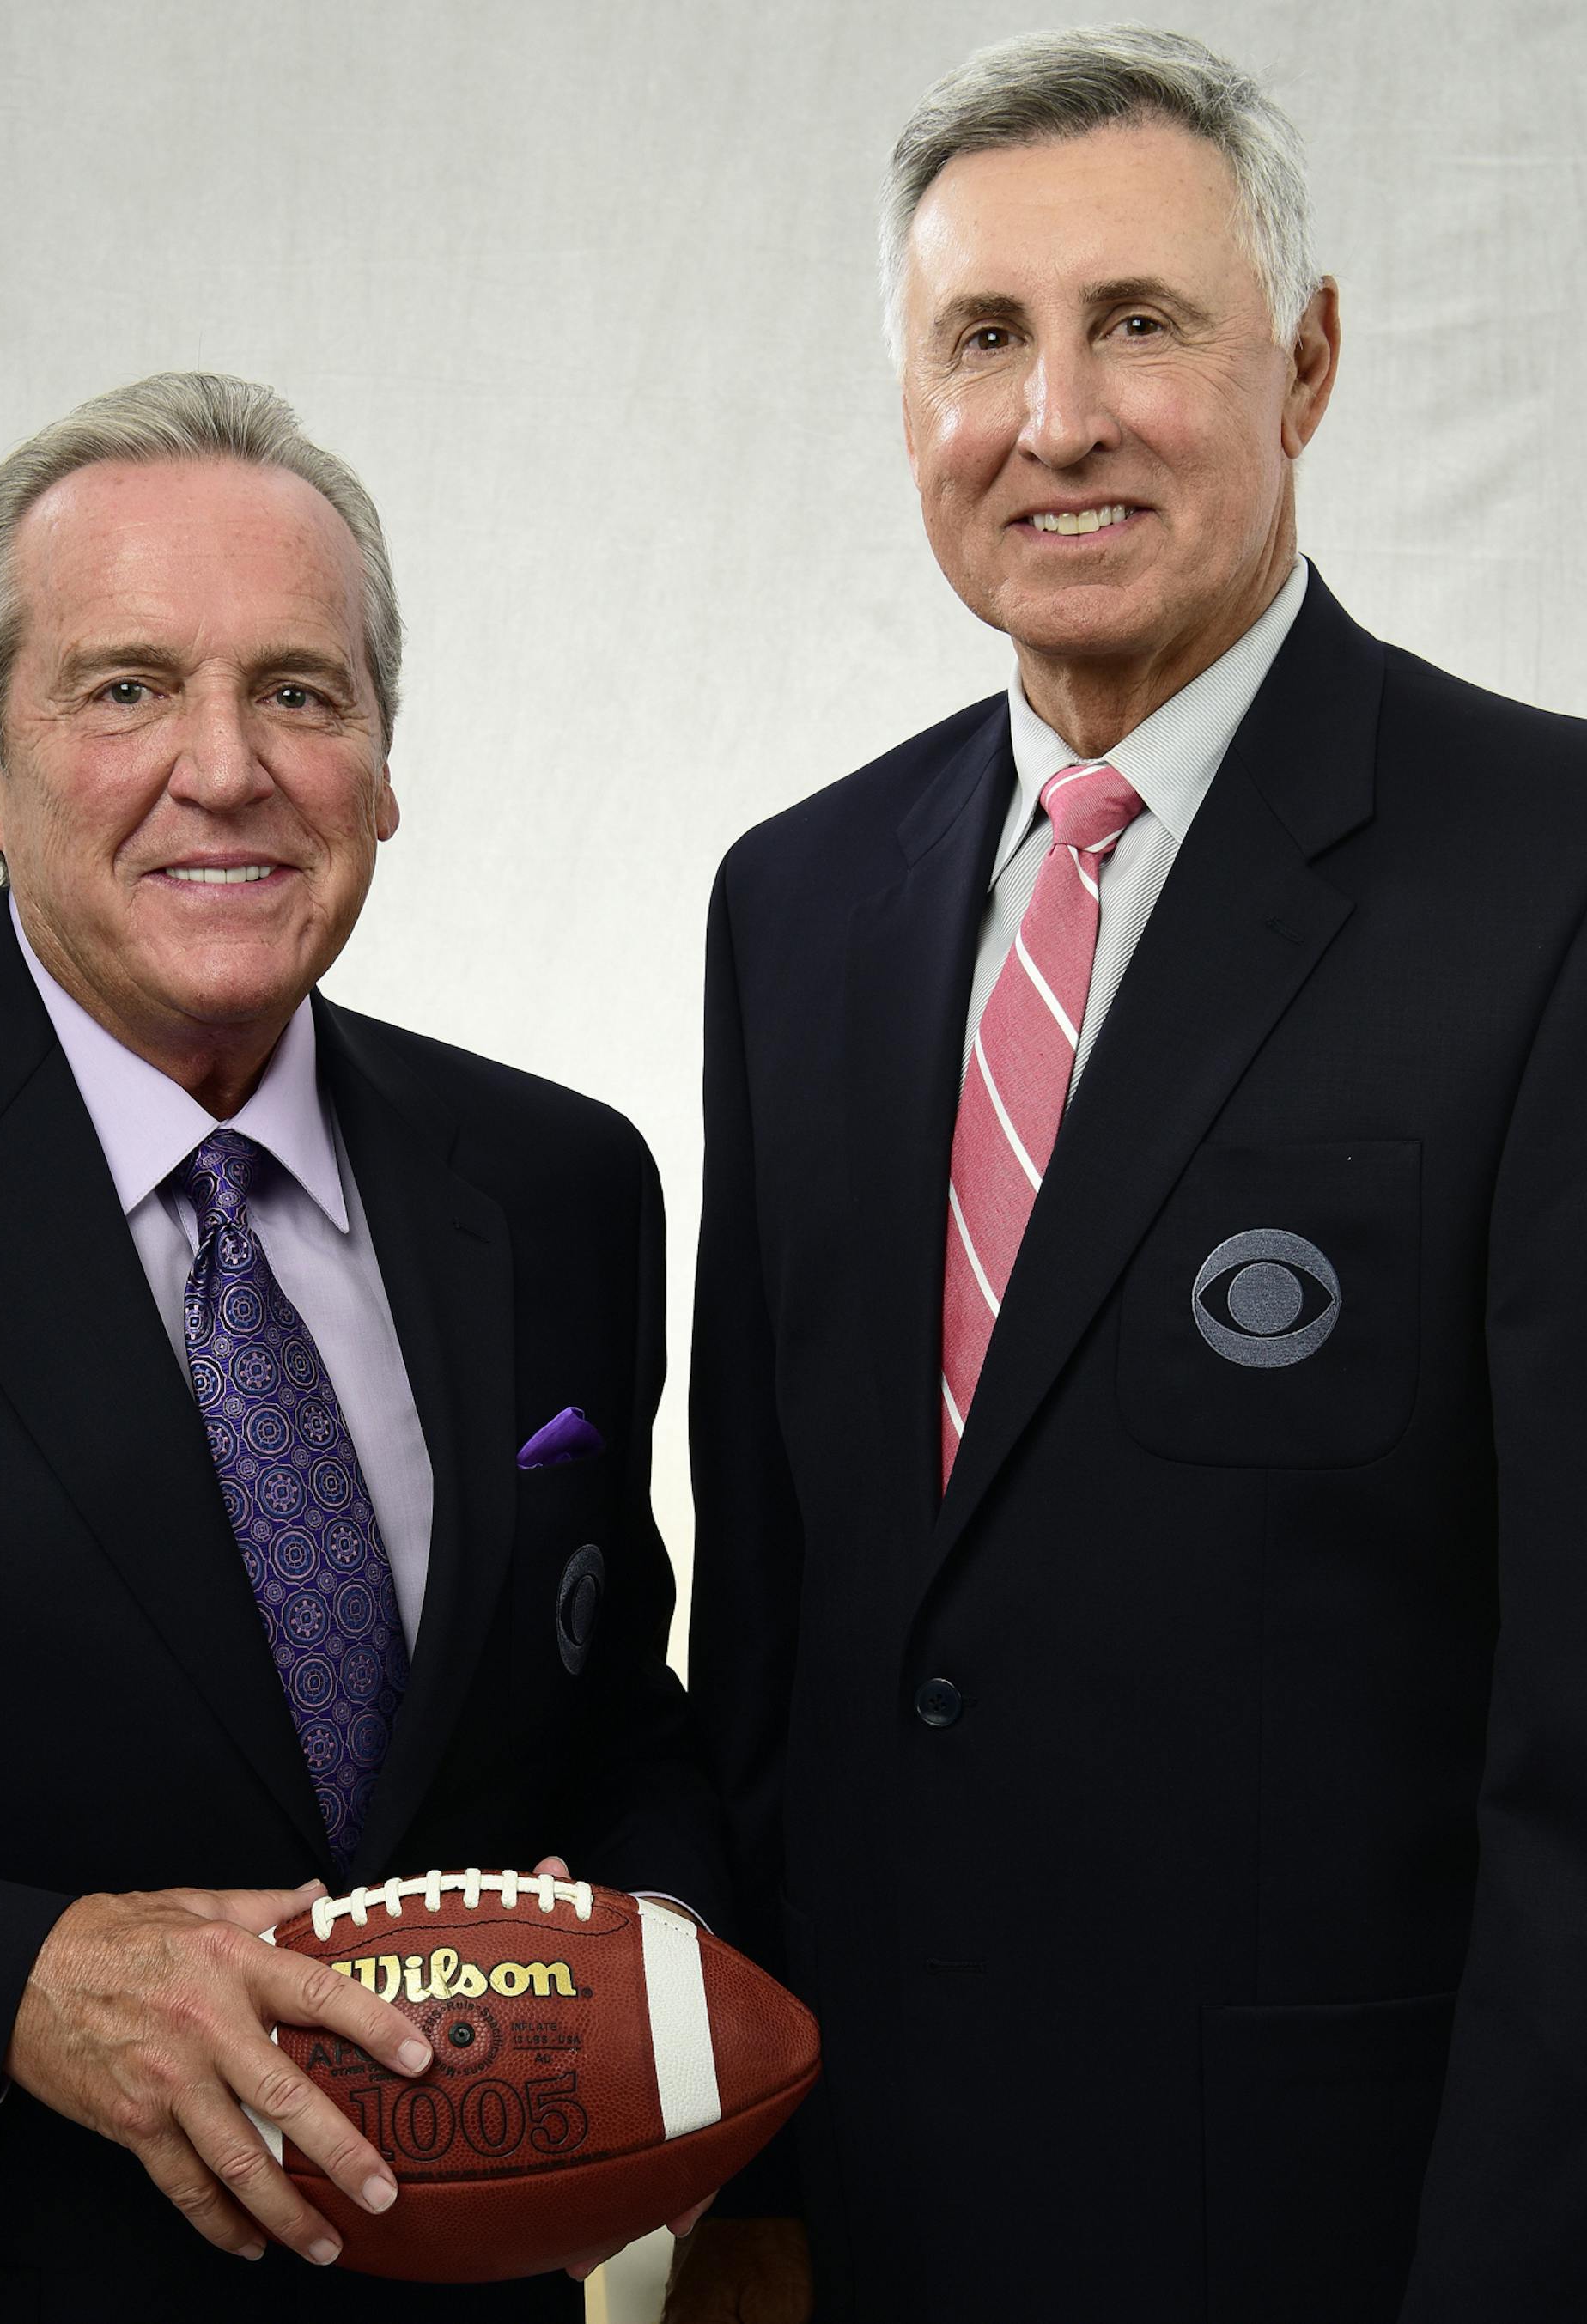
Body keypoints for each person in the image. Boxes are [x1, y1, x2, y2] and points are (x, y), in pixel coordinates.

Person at [673, 26, 1587, 2323]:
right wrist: (751, 2192)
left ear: (1310, 360)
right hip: (873, 2231)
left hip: (1334, 2242)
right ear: (909, 401)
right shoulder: (794, 907)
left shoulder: (1549, 885)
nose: (1053, 415)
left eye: (1139, 324)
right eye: (984, 337)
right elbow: (783, 1641)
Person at [0, 371, 723, 2320]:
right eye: (124, 689)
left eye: (299, 690)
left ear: (380, 757)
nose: (225, 767)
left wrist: (672, 1976)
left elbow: (604, 1728)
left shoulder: (557, 1178)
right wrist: (8, 1988)